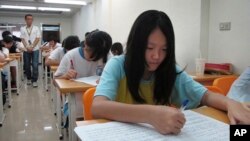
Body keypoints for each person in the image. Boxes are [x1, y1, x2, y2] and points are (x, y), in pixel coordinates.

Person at [92, 10, 250, 135]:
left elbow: (205, 96)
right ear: (136, 44)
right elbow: (98, 107)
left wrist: (231, 103)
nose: (157, 56)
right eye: (149, 48)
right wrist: (150, 115)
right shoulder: (117, 65)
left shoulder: (169, 70)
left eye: (165, 49)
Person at [54, 30, 112, 117]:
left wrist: (106, 79)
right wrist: (65, 76)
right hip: (76, 102)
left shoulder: (107, 56)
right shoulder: (71, 55)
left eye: (97, 56)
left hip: (101, 101)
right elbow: (55, 80)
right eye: (89, 51)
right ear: (85, 45)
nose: (91, 58)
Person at [20, 14, 41, 87]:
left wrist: (32, 46)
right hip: (26, 49)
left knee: (35, 65)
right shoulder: (22, 28)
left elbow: (37, 38)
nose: (30, 20)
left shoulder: (36, 28)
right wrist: (27, 46)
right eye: (28, 19)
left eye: (31, 19)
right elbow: (22, 39)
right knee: (27, 65)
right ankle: (29, 78)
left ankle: (34, 80)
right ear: (25, 20)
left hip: (35, 49)